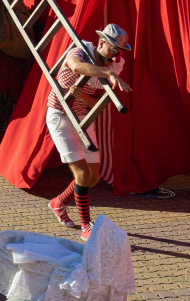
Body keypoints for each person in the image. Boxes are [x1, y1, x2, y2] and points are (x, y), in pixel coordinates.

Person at [46, 23, 132, 241]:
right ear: (101, 42)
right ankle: (86, 226)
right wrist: (106, 73)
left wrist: (83, 96)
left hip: (84, 118)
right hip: (60, 115)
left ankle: (58, 203)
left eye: (119, 51)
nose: (116, 56)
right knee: (82, 174)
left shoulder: (116, 65)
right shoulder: (79, 49)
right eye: (113, 49)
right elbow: (76, 66)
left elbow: (97, 103)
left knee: (93, 177)